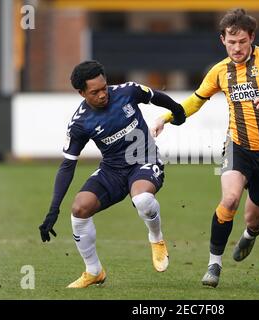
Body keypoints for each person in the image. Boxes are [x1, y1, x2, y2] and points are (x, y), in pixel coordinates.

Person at [151, 8, 259, 288]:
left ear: (251, 38)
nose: (237, 47)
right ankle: (214, 265)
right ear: (223, 40)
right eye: (232, 42)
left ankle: (252, 234)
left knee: (253, 217)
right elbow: (194, 102)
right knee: (229, 200)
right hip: (238, 146)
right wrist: (166, 118)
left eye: (242, 41)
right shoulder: (219, 71)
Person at [39, 60, 186, 288]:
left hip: (144, 161)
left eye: (104, 88)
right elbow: (67, 165)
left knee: (142, 199)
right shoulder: (80, 123)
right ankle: (94, 271)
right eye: (94, 92)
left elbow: (157, 97)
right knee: (79, 209)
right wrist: (53, 209)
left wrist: (178, 112)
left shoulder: (128, 91)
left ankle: (156, 239)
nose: (102, 95)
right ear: (81, 93)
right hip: (113, 170)